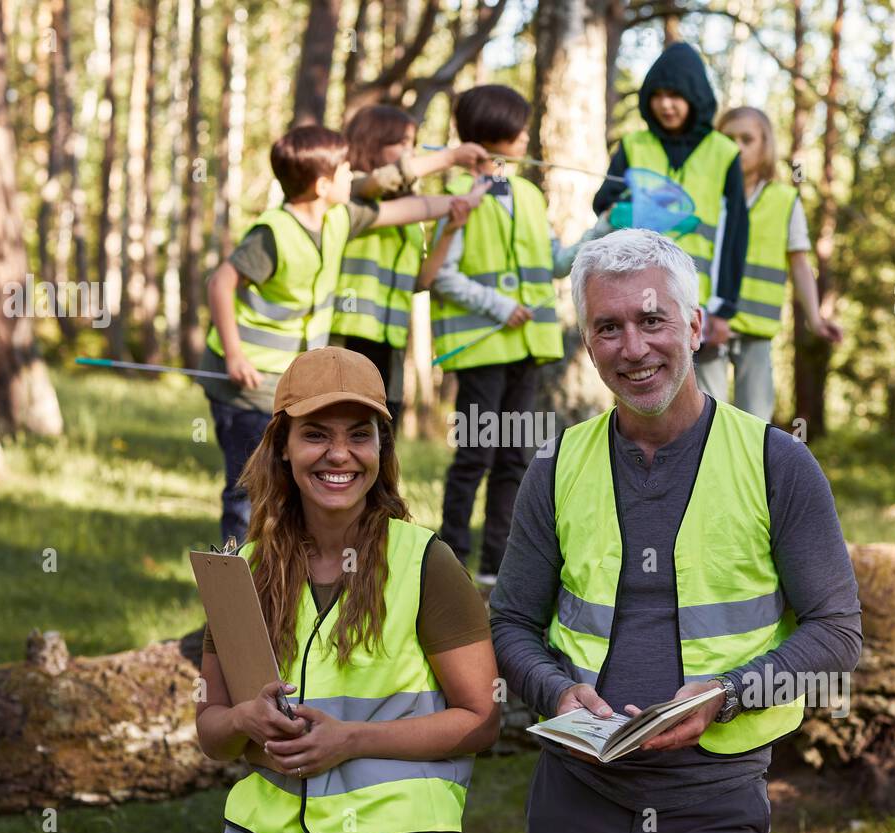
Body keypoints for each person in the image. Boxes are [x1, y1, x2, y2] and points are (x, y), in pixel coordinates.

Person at [489, 229, 862, 833]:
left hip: (715, 805)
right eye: (608, 328)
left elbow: (837, 632)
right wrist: (554, 691)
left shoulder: (779, 463)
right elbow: (512, 621)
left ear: (694, 327)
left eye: (652, 320)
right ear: (587, 345)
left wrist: (728, 693)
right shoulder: (555, 467)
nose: (633, 349)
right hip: (574, 796)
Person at [196, 347, 500, 833]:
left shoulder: (426, 562)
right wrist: (245, 719)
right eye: (316, 434)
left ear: (381, 448)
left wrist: (352, 740)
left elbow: (482, 719)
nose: (340, 454)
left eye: (359, 434)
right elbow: (211, 733)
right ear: (283, 448)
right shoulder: (241, 570)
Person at [199, 124, 487, 547]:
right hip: (243, 383)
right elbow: (220, 283)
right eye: (346, 169)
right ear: (322, 184)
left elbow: (412, 208)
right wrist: (235, 357)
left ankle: (277, 581)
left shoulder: (340, 218)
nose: (353, 175)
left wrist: (463, 201)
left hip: (283, 382)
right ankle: (233, 590)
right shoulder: (273, 232)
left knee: (284, 490)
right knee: (247, 489)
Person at [430, 84, 603, 587]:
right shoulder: (457, 195)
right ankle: (453, 561)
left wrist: (602, 227)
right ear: (492, 131)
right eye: (518, 126)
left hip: (527, 352)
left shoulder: (528, 194)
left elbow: (551, 262)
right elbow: (442, 274)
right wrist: (500, 306)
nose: (527, 133)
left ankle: (495, 566)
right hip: (481, 349)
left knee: (514, 456)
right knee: (475, 456)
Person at [592, 41, 749, 388]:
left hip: (699, 303)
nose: (665, 104)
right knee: (642, 392)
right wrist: (622, 209)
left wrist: (723, 310)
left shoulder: (723, 153)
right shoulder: (634, 146)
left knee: (708, 401)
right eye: (658, 95)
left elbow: (735, 235)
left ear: (694, 97)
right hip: (636, 301)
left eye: (675, 95)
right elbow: (604, 204)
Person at [333, 106, 489, 431]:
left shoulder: (411, 219)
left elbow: (422, 279)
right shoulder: (352, 189)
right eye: (402, 143)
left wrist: (448, 231)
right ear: (372, 143)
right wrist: (449, 157)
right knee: (345, 426)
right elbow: (382, 180)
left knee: (382, 433)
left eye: (413, 143)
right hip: (348, 335)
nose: (410, 152)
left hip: (390, 339)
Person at [697, 106, 844, 421]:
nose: (736, 147)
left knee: (754, 427)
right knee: (705, 427)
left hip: (756, 333)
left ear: (765, 145)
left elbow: (800, 264)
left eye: (746, 139)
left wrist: (816, 319)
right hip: (708, 329)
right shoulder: (705, 196)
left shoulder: (784, 200)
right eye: (727, 138)